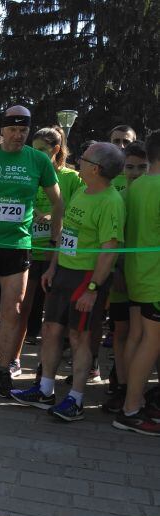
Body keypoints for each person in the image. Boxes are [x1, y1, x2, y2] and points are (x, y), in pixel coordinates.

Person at [11, 143, 125, 421]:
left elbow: (109, 251)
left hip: (86, 278)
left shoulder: (111, 202)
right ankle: (45, 389)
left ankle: (75, 399)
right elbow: (67, 235)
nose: (78, 161)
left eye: (84, 159)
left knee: (80, 338)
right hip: (63, 272)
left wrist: (93, 289)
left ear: (96, 169)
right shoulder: (81, 191)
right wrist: (53, 267)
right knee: (51, 330)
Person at [0, 106, 62, 397]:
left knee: (12, 311)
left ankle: (4, 371)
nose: (18, 136)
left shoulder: (38, 160)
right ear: (2, 130)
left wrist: (55, 241)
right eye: (13, 130)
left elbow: (58, 202)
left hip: (17, 246)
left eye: (23, 130)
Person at [10, 127, 83, 372]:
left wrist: (54, 214)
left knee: (52, 317)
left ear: (55, 150)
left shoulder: (71, 179)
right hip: (29, 249)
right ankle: (14, 359)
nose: (35, 154)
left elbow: (75, 213)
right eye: (33, 148)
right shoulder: (28, 171)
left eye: (42, 149)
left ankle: (45, 365)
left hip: (57, 254)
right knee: (22, 308)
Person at [112, 130, 160, 434]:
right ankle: (131, 409)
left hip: (136, 274)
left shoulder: (135, 186)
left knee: (137, 336)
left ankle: (129, 397)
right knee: (151, 342)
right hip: (155, 277)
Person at [101, 141, 148, 409]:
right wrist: (116, 268)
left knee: (140, 334)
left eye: (143, 167)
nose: (135, 172)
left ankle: (133, 385)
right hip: (119, 273)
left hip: (144, 274)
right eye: (130, 167)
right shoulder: (116, 192)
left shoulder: (149, 191)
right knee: (121, 331)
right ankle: (121, 383)